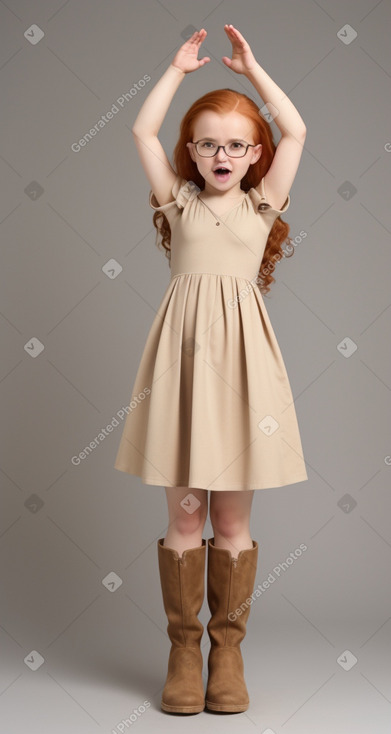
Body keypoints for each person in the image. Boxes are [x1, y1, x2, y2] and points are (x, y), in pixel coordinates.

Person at [114, 25, 308, 714]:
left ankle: (226, 652)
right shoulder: (179, 202)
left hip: (243, 372)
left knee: (230, 520)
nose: (220, 155)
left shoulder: (262, 204)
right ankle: (182, 652)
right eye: (206, 143)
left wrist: (254, 73)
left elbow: (296, 129)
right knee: (184, 514)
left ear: (253, 155)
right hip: (182, 367)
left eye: (234, 145)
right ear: (190, 153)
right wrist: (172, 71)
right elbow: (141, 132)